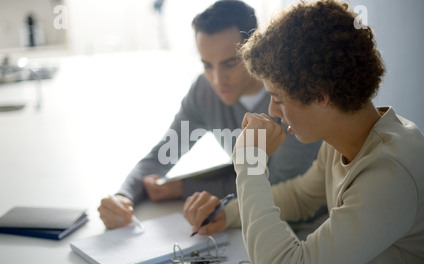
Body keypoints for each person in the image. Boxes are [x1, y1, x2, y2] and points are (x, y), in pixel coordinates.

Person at [229, 0, 424, 264]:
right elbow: (302, 197)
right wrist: (227, 213)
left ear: (321, 96)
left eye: (278, 98)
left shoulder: (390, 171)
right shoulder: (344, 139)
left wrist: (250, 164)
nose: (272, 111)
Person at [98, 0, 322, 229]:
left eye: (229, 64)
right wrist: (123, 197)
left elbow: (274, 186)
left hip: (307, 224)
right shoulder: (204, 91)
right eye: (207, 65)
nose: (217, 80)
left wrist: (183, 188)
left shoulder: (289, 100)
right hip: (244, 216)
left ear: (255, 50)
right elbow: (162, 155)